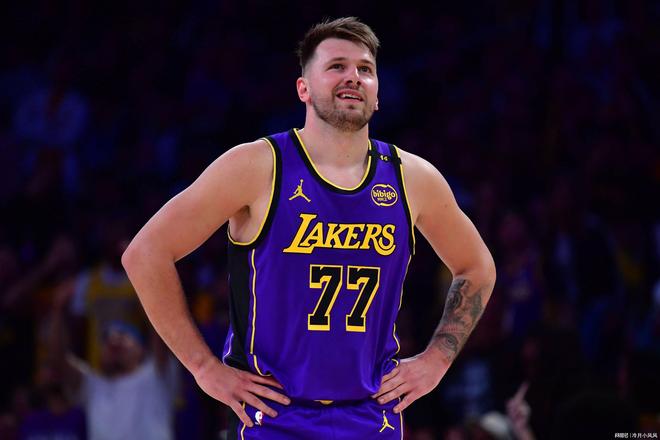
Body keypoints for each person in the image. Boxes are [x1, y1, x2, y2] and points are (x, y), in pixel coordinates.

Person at [122, 17, 496, 439]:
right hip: (272, 415)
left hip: (371, 415)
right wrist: (203, 367)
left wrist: (437, 360)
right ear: (303, 88)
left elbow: (477, 267)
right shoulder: (257, 166)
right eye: (337, 66)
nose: (353, 77)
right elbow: (145, 254)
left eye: (365, 69)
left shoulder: (412, 177)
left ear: (377, 94)